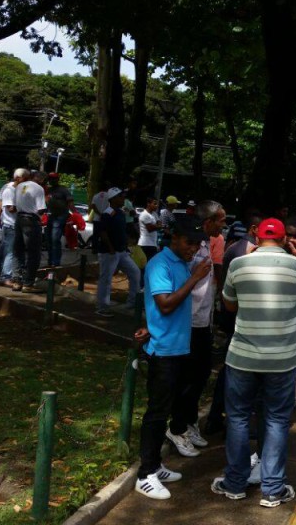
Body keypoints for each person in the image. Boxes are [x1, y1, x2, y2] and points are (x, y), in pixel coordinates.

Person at [213, 218, 296, 507]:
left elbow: (230, 304)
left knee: (237, 418)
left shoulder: (239, 265)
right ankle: (272, 489)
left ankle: (235, 483)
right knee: (276, 420)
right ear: (286, 239)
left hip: (242, 356)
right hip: (282, 360)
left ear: (256, 237)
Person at [134, 217, 212, 500]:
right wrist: (195, 278)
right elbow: (164, 305)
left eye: (198, 244)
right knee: (156, 413)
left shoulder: (181, 263)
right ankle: (145, 474)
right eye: (190, 242)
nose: (194, 248)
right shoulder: (160, 264)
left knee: (167, 409)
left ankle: (156, 465)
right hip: (164, 350)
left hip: (179, 348)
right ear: (174, 238)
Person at [165, 200, 225, 457]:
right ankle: (176, 427)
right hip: (187, 323)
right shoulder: (191, 249)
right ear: (208, 221)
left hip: (202, 322)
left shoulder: (205, 246)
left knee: (200, 376)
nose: (223, 225)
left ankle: (188, 423)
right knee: (187, 379)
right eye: (220, 220)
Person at [204, 214, 261, 435]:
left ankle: (218, 416)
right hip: (241, 322)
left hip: (234, 319)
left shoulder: (234, 248)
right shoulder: (244, 253)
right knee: (235, 372)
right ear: (255, 229)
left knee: (230, 370)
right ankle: (226, 418)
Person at [95, 187, 140, 315]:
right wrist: (111, 248)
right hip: (109, 252)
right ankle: (102, 307)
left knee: (135, 272)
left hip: (122, 252)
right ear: (113, 199)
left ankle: (133, 302)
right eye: (121, 197)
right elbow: (102, 232)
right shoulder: (107, 213)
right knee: (106, 279)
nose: (123, 199)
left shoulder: (120, 212)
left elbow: (122, 230)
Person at [11, 169, 46, 292]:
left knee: (18, 250)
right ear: (40, 179)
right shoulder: (39, 189)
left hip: (19, 219)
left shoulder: (19, 186)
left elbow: (13, 207)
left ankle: (16, 281)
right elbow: (41, 209)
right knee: (33, 253)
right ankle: (28, 284)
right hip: (31, 220)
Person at [0, 169, 22, 287]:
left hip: (7, 222)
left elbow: (0, 203)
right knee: (10, 252)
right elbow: (9, 207)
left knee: (5, 247)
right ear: (17, 178)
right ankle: (5, 276)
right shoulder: (10, 189)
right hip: (11, 223)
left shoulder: (6, 187)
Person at [45, 172, 72, 268]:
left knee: (55, 238)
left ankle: (56, 261)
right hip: (51, 216)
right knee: (48, 239)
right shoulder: (48, 190)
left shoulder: (63, 190)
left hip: (61, 216)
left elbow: (70, 202)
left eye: (54, 178)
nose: (52, 180)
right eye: (50, 179)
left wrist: (75, 214)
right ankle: (50, 260)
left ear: (57, 179)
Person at [138, 197, 161, 262]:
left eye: (157, 204)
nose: (157, 205)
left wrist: (156, 226)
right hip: (145, 244)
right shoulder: (144, 214)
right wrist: (158, 226)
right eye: (155, 204)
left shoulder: (154, 214)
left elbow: (159, 223)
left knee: (151, 264)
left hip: (153, 244)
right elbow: (150, 228)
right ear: (148, 204)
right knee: (145, 264)